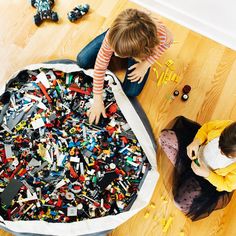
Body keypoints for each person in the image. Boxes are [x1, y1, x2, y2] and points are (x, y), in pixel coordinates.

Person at [76, 8, 173, 124]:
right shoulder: (113, 35)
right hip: (118, 37)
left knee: (131, 91)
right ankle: (116, 44)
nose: (114, 55)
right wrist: (97, 99)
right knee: (82, 60)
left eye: (118, 53)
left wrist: (145, 64)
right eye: (115, 52)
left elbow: (166, 44)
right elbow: (101, 64)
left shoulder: (162, 36)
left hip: (139, 49)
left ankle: (128, 52)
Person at [159, 116, 236, 221]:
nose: (219, 151)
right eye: (219, 143)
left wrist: (207, 174)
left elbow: (226, 185)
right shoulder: (227, 127)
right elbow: (207, 127)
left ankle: (184, 170)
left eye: (226, 155)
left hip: (206, 179)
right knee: (164, 136)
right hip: (197, 151)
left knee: (179, 203)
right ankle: (182, 167)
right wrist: (196, 142)